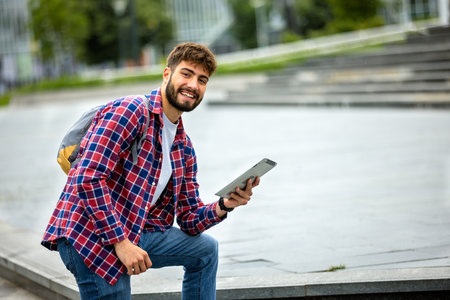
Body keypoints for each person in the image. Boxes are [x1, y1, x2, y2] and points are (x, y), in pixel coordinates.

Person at [41, 42, 260, 300]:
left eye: (202, 80)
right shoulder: (131, 111)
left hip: (134, 231)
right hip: (90, 233)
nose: (193, 85)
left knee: (205, 250)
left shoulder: (183, 147)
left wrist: (225, 204)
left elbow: (189, 217)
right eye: (186, 74)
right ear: (167, 74)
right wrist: (121, 244)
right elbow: (87, 178)